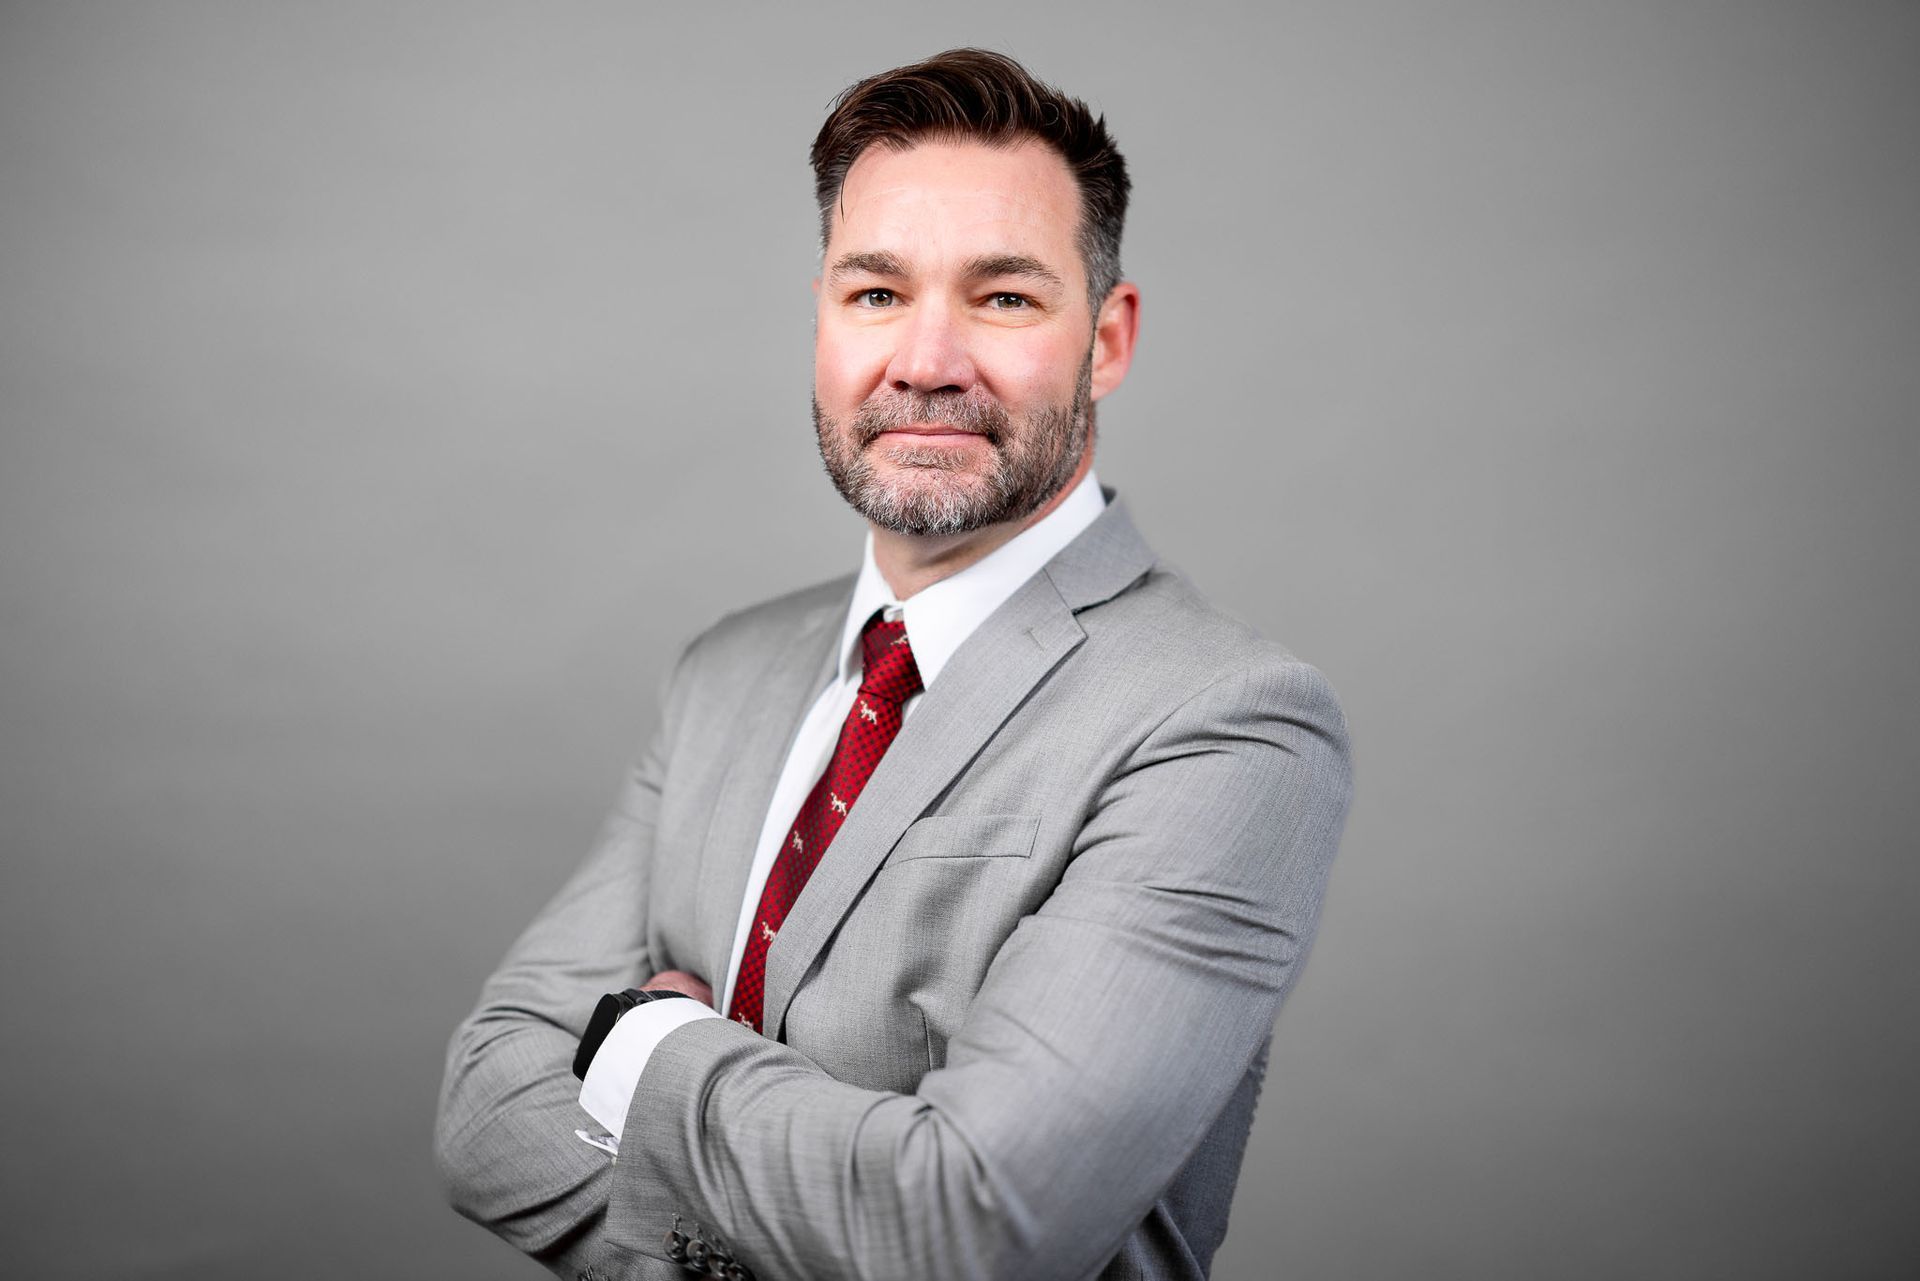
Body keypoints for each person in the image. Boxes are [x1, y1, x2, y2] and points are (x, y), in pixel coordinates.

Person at [436, 48, 1352, 1281]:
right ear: (821, 314)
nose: (926, 361)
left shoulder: (1226, 723)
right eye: (876, 293)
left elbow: (971, 1227)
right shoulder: (728, 672)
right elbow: (489, 1110)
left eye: (1004, 299)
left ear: (1109, 339)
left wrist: (649, 1046)